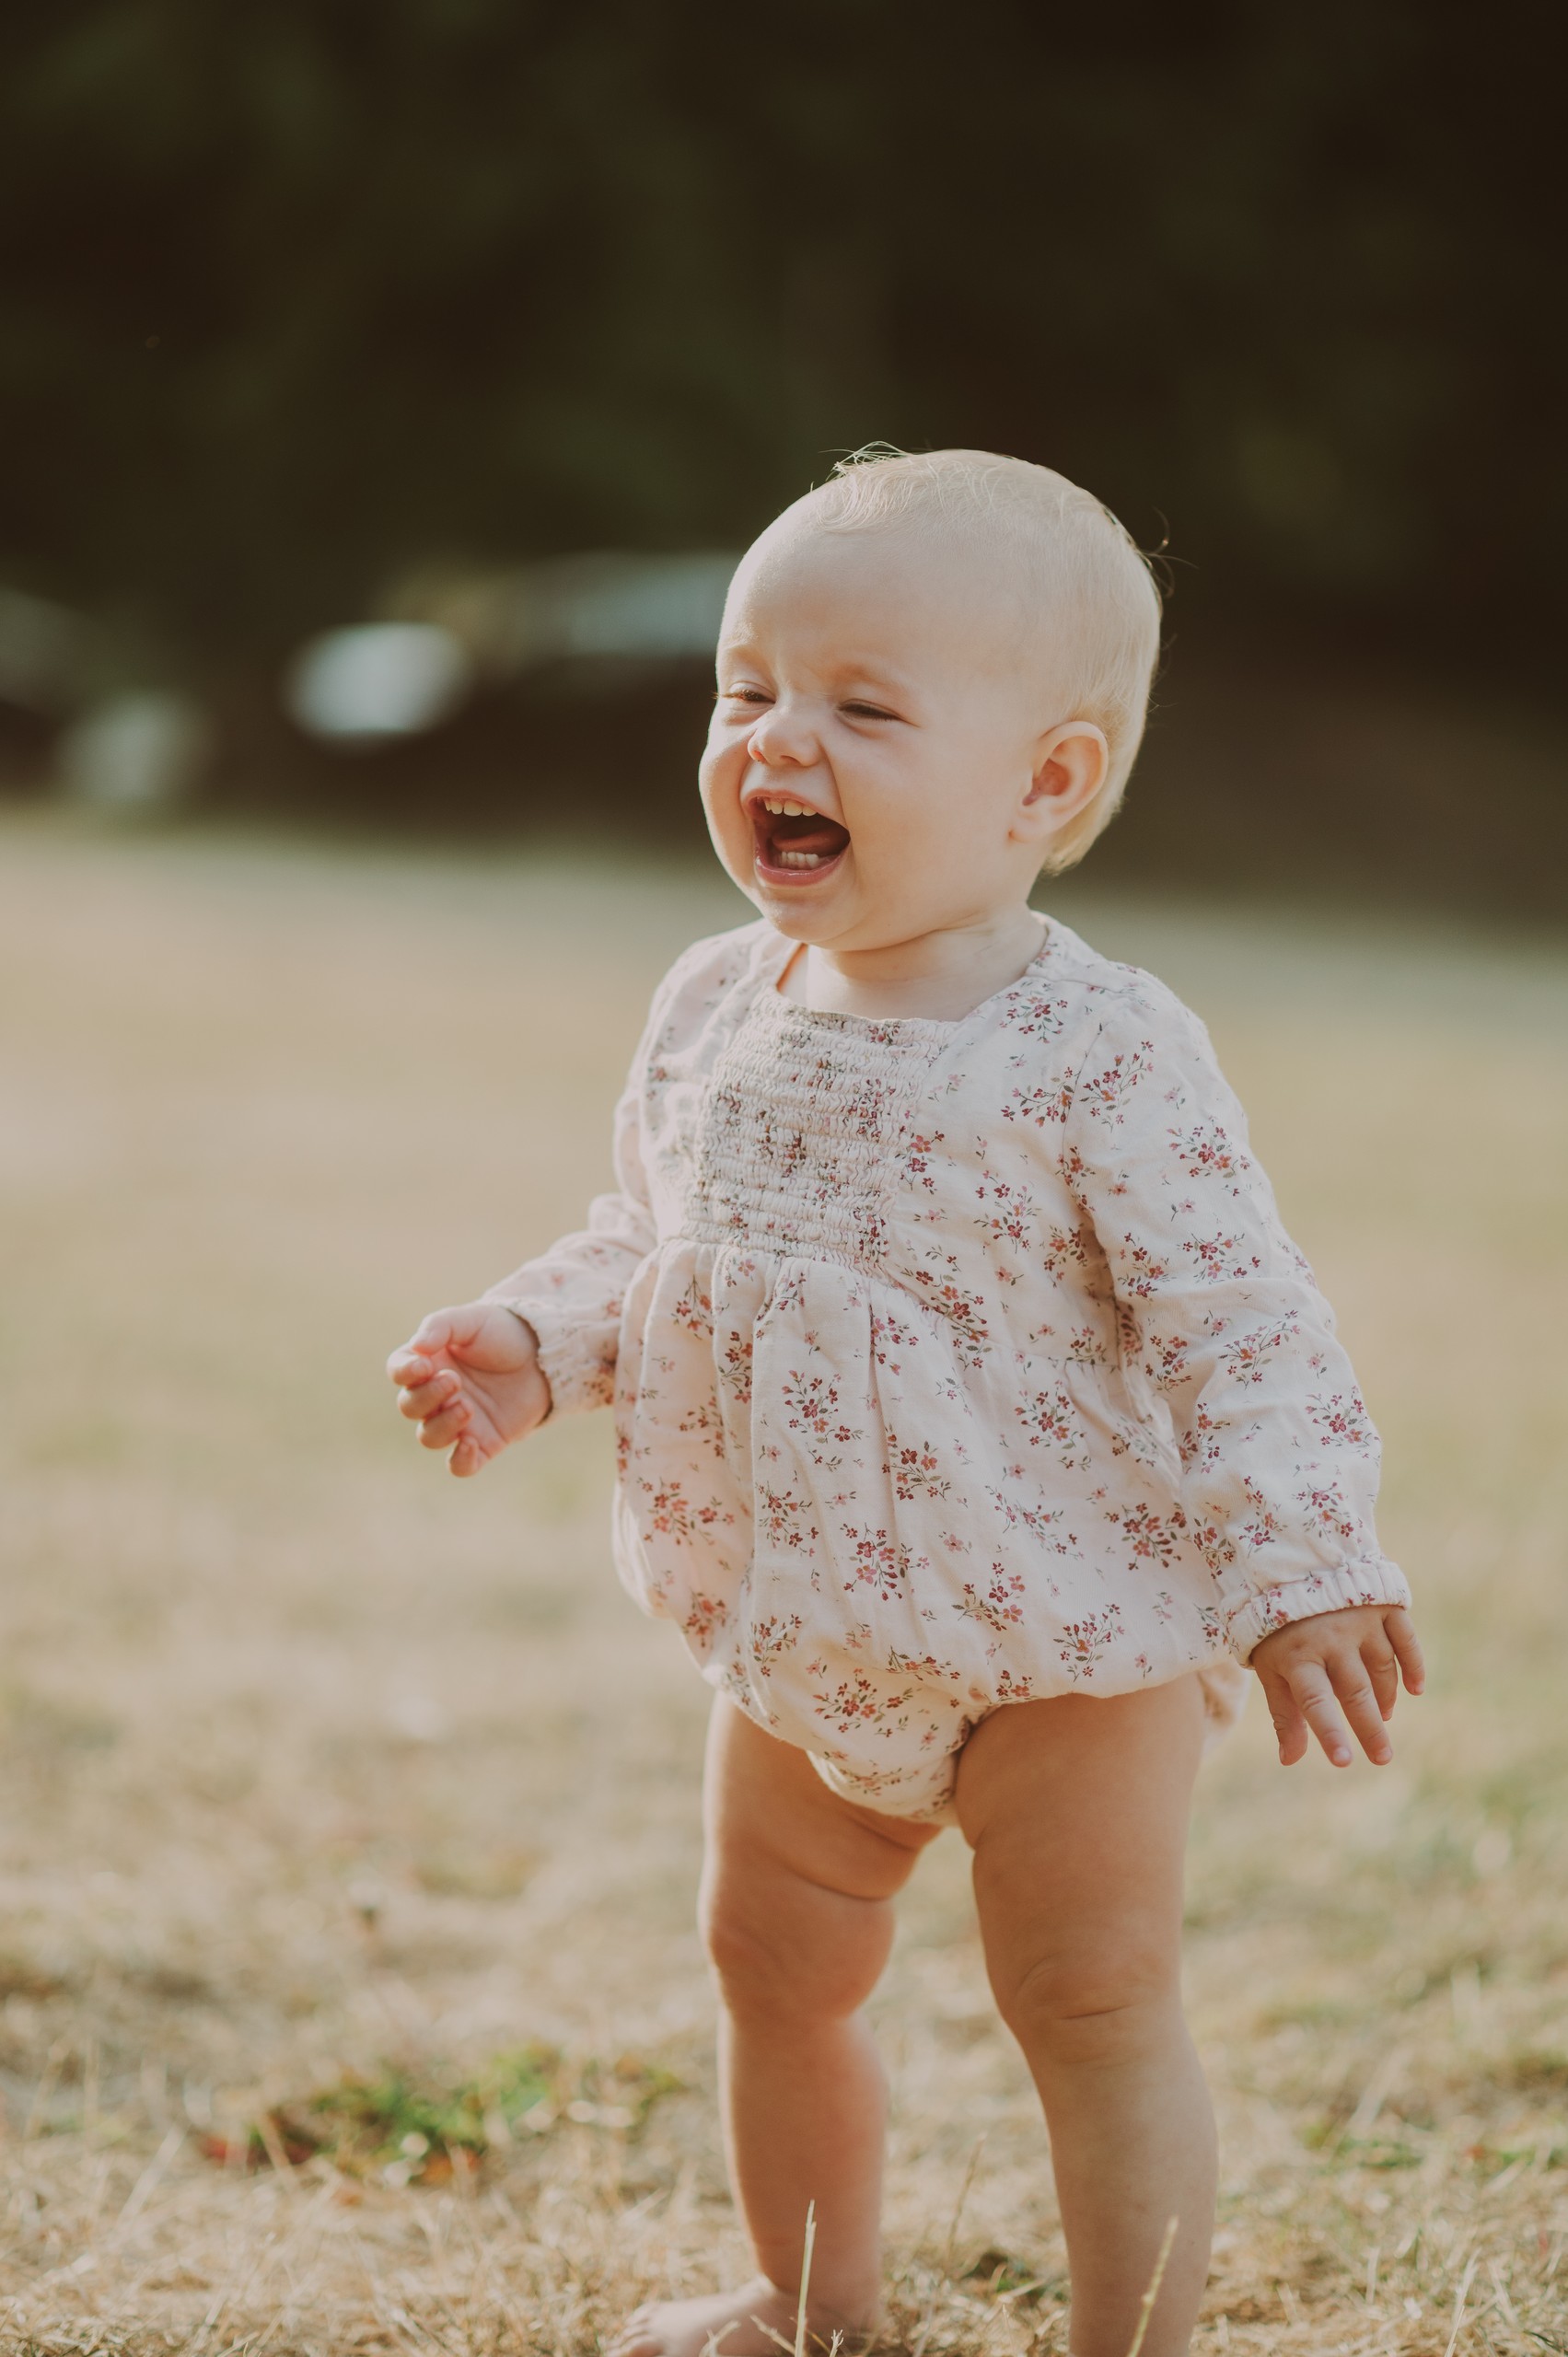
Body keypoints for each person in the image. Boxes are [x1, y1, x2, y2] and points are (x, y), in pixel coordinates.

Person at [388, 448, 1423, 2357]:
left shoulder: (1099, 1047)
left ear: (1047, 783)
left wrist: (1304, 1564)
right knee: (771, 1959)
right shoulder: (719, 1000)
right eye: (747, 687)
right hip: (804, 1611)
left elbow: (1242, 1318)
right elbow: (662, 1234)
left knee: (1088, 1997)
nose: (779, 737)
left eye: (864, 708)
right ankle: (809, 2297)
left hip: (1070, 1633)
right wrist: (537, 1344)